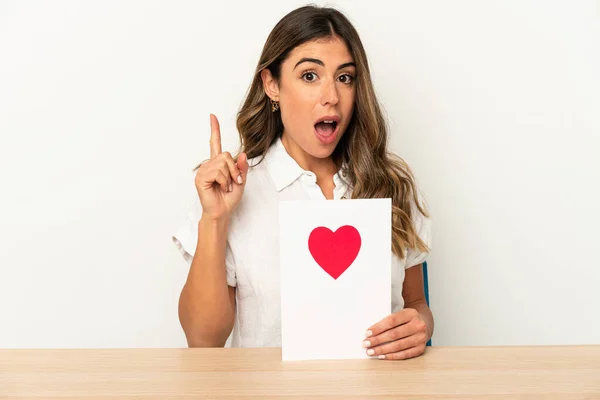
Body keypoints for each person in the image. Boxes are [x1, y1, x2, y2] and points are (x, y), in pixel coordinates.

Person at [172, 5, 433, 360]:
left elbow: (416, 304)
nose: (332, 96)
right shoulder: (232, 191)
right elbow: (203, 342)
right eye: (310, 76)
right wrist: (214, 220)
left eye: (345, 77)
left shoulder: (391, 184)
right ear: (272, 85)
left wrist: (419, 327)